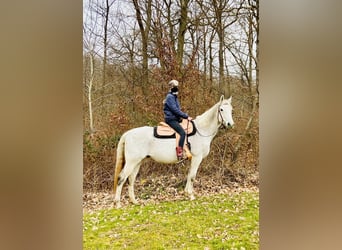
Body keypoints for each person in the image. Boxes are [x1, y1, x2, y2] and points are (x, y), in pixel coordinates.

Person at [163, 79, 192, 160]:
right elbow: (175, 110)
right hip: (171, 119)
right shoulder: (170, 97)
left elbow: (178, 110)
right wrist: (186, 116)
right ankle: (180, 152)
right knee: (182, 133)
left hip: (176, 119)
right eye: (175, 86)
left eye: (177, 86)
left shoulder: (174, 97)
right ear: (171, 87)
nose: (176, 88)